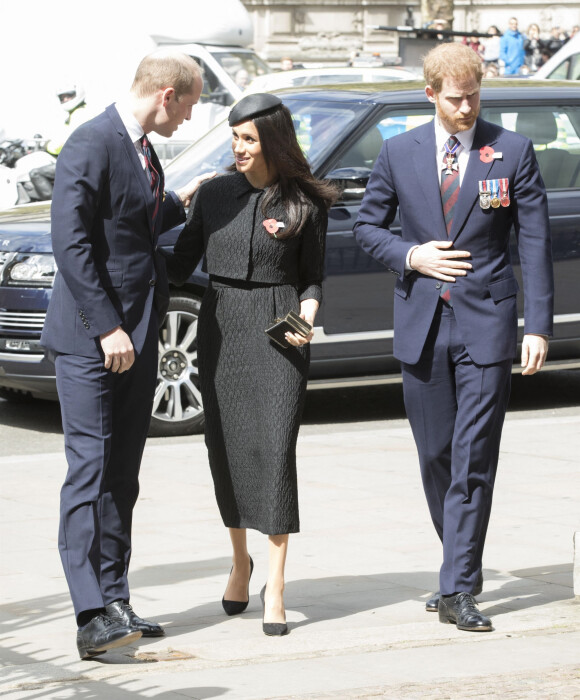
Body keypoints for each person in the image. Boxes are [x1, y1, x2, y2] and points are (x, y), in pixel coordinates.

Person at [354, 42, 553, 633]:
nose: (466, 109)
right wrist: (411, 254)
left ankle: (459, 586)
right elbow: (367, 226)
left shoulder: (511, 150)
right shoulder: (399, 152)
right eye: (455, 98)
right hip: (422, 324)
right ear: (431, 95)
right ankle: (457, 561)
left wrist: (537, 325)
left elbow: (535, 241)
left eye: (474, 97)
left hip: (488, 325)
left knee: (474, 458)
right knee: (435, 454)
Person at [40, 50, 213, 659]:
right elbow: (73, 241)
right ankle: (89, 614)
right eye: (190, 105)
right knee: (89, 468)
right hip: (95, 338)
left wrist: (180, 200)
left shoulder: (143, 149)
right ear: (167, 93)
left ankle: (115, 598)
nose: (191, 118)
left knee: (122, 476)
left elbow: (130, 226)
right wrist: (107, 326)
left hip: (137, 336)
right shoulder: (91, 141)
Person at [164, 93, 337, 636]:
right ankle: (240, 561)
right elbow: (179, 263)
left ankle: (277, 582)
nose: (238, 148)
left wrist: (308, 308)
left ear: (273, 142)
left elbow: (312, 274)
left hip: (280, 327)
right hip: (221, 326)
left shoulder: (305, 200)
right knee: (228, 445)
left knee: (275, 447)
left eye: (248, 138)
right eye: (233, 137)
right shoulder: (214, 194)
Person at [29, 84, 90, 200]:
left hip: (79, 162)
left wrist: (47, 147)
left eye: (69, 96)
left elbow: (67, 141)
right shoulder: (76, 113)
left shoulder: (80, 114)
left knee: (35, 173)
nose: (65, 99)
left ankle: (55, 207)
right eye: (62, 97)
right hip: (82, 160)